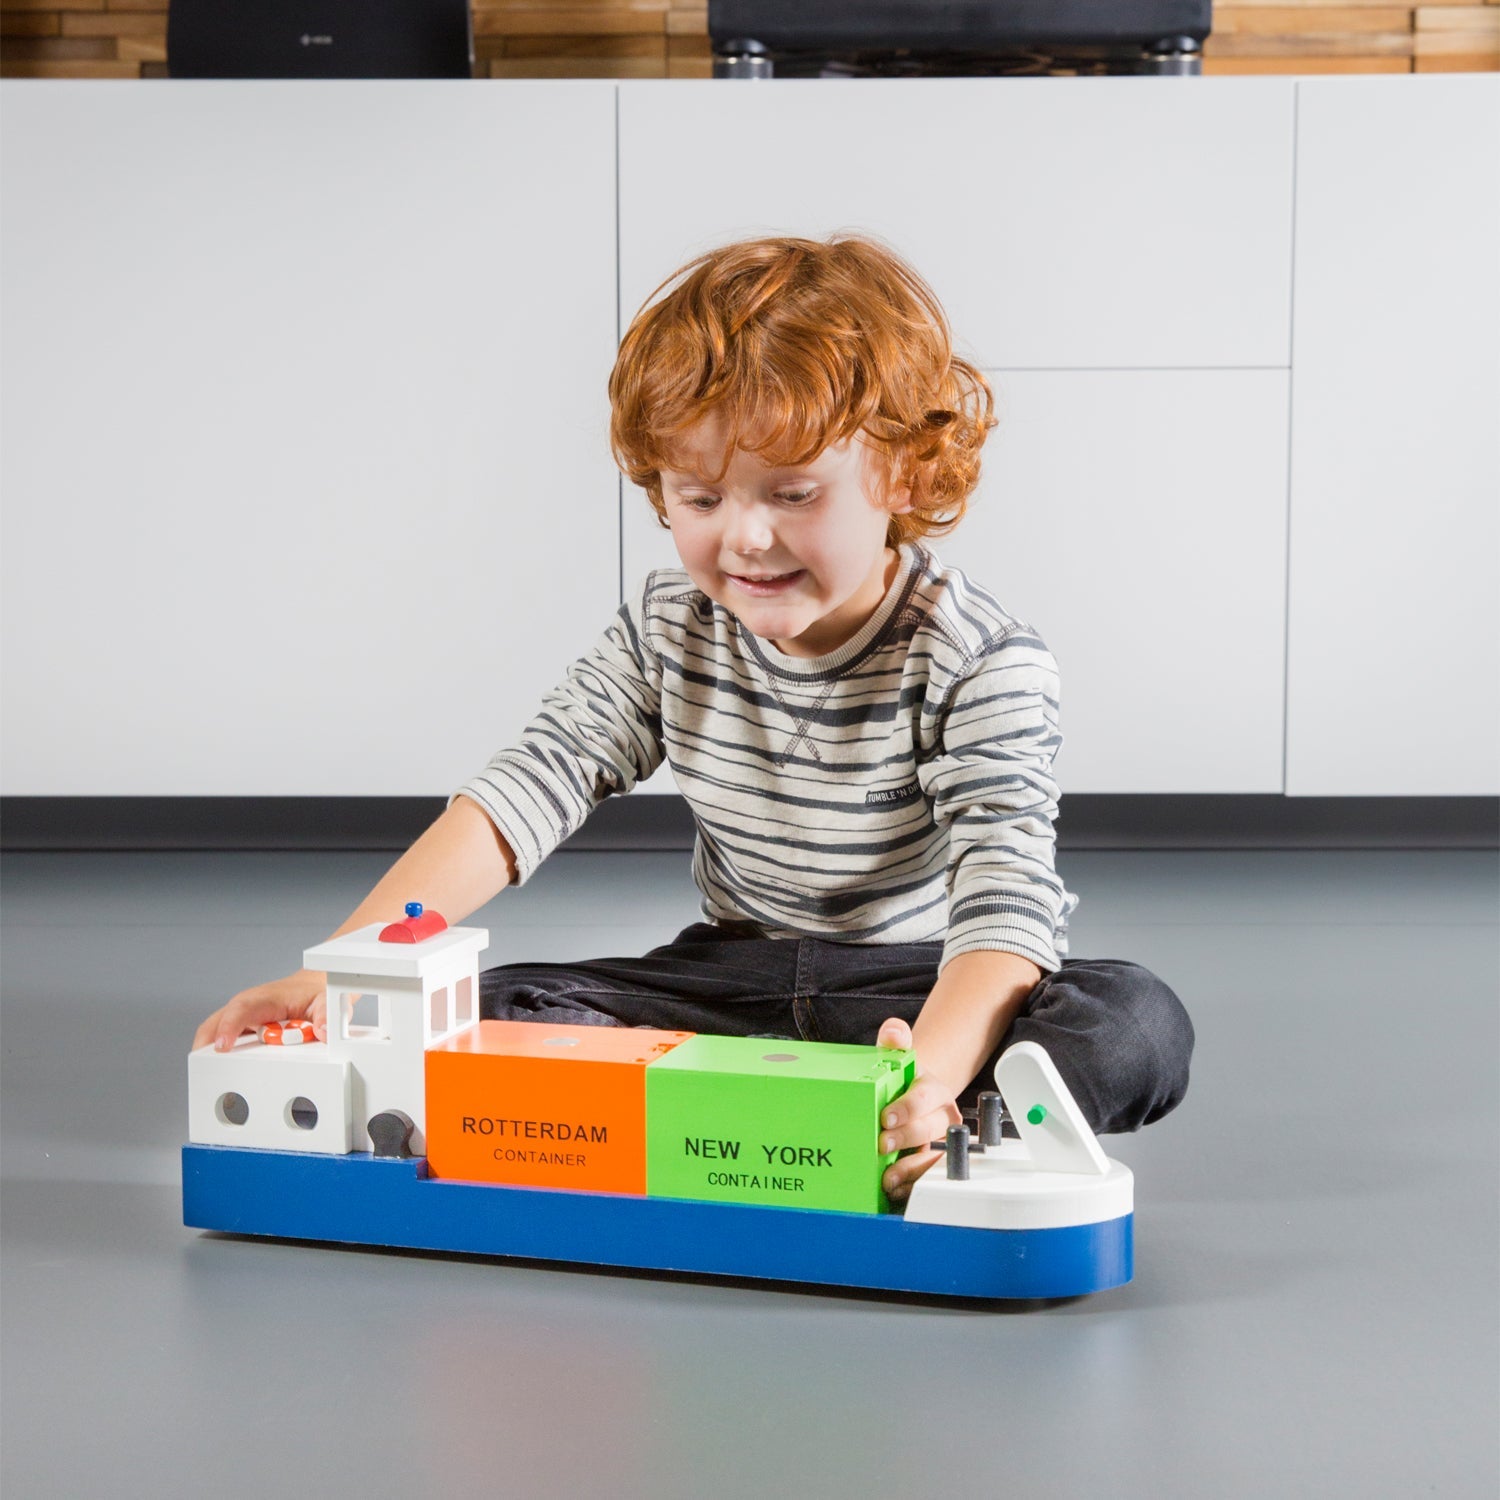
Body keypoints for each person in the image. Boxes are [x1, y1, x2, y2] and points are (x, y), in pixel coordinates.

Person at [193, 232, 1193, 1202]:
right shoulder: (670, 628)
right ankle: (772, 1113)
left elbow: (1005, 903)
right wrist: (350, 970)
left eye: (793, 492)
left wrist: (928, 1071)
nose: (746, 537)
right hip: (729, 985)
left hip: (912, 992)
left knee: (1136, 1020)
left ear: (903, 473)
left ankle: (942, 1132)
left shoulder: (978, 657)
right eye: (701, 496)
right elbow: (529, 787)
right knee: (491, 1012)